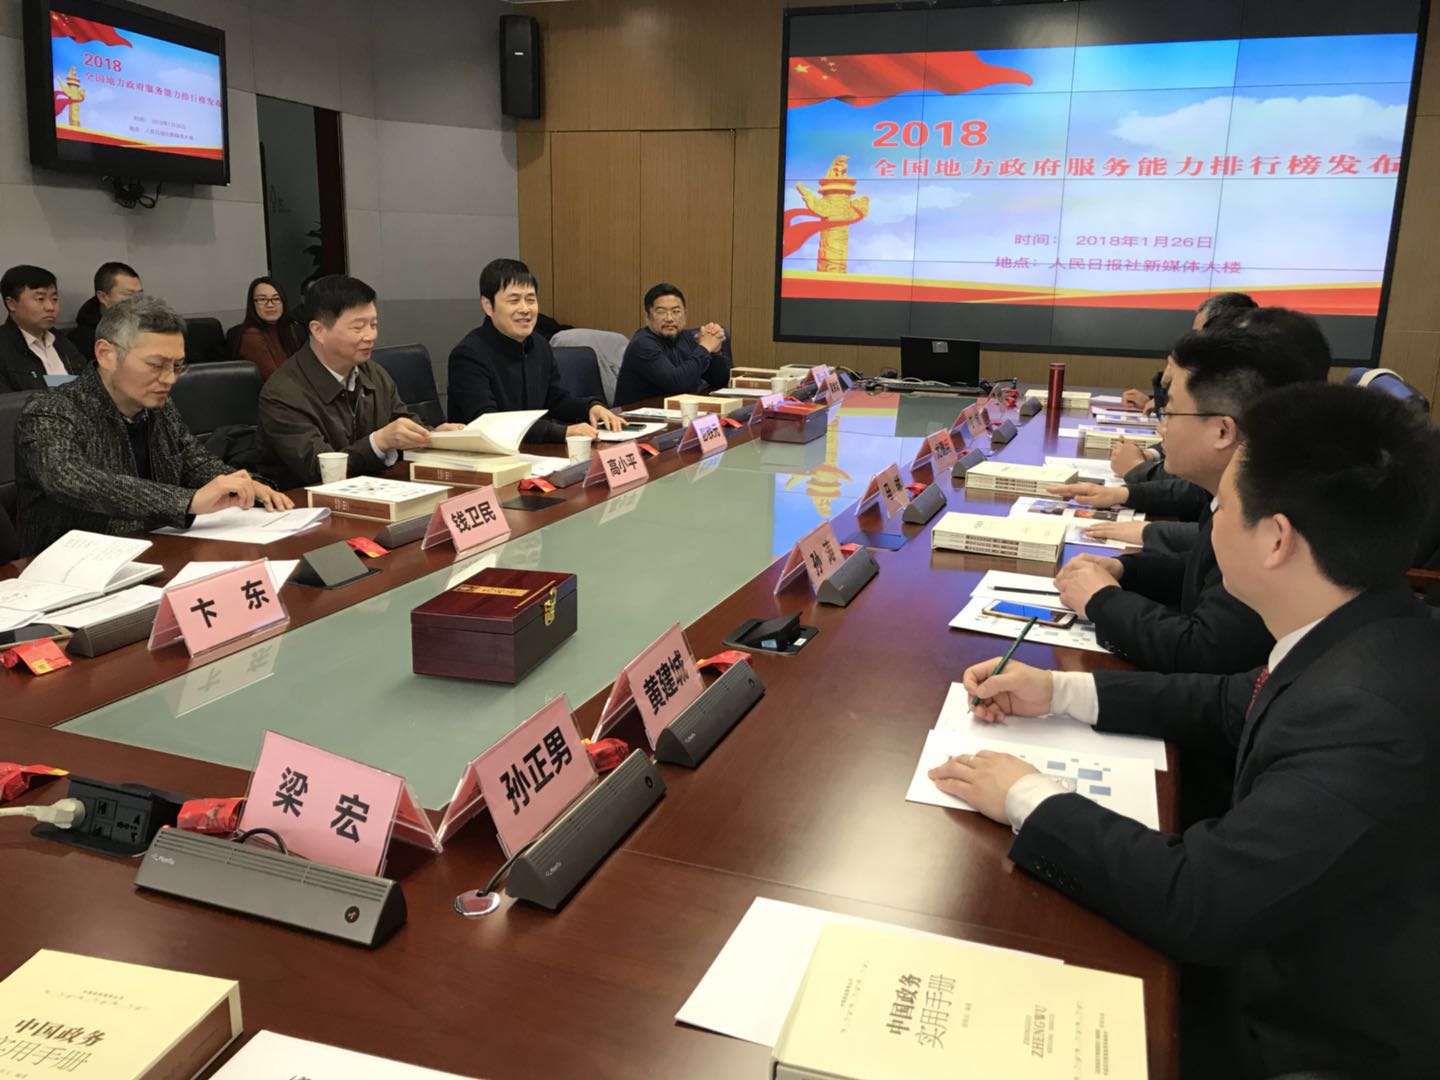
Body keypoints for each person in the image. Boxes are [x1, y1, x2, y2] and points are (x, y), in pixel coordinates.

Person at [929, 383, 1439, 1080]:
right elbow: (1231, 701)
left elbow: (1200, 901)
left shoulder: (1370, 714)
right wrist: (1059, 692)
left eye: (1221, 507)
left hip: (1292, 1033)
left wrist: (1026, 795)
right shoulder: (1371, 626)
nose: (1210, 524)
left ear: (1276, 539)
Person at [1048, 328, 1315, 675]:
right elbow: (1201, 573)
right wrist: (1126, 571)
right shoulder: (1238, 492)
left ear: (1223, 431)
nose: (1161, 429)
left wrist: (1103, 602)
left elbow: (1204, 652)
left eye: (1170, 413)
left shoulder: (1268, 518)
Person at [14, 296, 292, 556]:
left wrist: (243, 485)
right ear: (106, 353)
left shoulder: (158, 406)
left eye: (177, 366)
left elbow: (193, 462)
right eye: (156, 365)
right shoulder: (51, 411)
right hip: (71, 564)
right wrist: (187, 501)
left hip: (156, 548)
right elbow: (71, 479)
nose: (170, 379)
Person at [258, 275, 464, 488]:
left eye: (373, 325)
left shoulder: (372, 372)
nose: (370, 336)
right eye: (358, 328)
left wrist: (434, 436)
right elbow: (317, 468)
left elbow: (401, 421)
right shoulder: (282, 392)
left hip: (374, 489)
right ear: (319, 331)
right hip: (305, 500)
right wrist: (379, 442)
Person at [447, 259, 623, 439]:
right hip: (483, 453)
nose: (525, 309)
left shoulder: (539, 345)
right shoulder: (468, 355)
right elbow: (489, 422)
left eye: (530, 299)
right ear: (488, 305)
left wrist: (591, 408)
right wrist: (561, 432)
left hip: (533, 450)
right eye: (514, 300)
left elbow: (556, 401)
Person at [612, 283, 734, 406]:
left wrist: (715, 352)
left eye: (676, 311)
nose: (669, 318)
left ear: (685, 316)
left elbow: (720, 381)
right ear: (647, 317)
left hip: (674, 411)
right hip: (635, 414)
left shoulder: (686, 337)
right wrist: (705, 348)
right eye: (661, 312)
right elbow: (677, 383)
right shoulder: (642, 344)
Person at [0, 265, 88, 392]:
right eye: (40, 299)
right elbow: (7, 403)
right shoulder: (4, 349)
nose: (50, 307)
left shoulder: (63, 342)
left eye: (54, 299)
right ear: (11, 304)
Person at [68, 261, 143, 363]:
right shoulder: (82, 340)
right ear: (103, 297)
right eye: (129, 295)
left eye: (140, 295)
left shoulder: (149, 326)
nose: (138, 301)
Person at [232, 276, 305, 380]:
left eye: (276, 299)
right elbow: (276, 380)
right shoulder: (251, 336)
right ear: (253, 304)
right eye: (262, 299)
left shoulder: (291, 329)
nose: (270, 305)